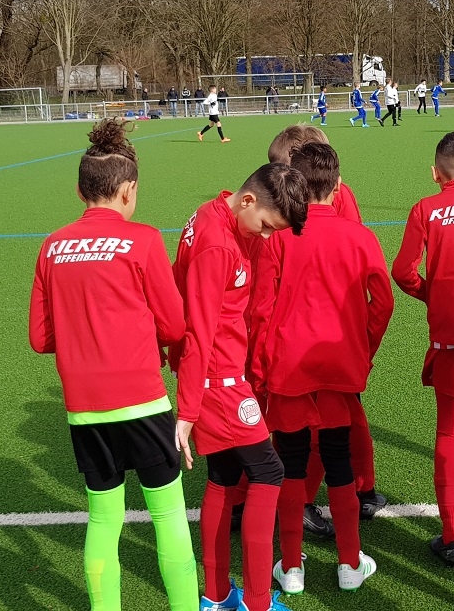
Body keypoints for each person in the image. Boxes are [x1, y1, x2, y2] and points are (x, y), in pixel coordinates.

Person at [28, 118, 199, 611]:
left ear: (79, 191)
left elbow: (40, 338)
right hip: (143, 400)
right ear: (128, 191)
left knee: (104, 519)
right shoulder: (143, 239)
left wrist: (83, 335)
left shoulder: (52, 245)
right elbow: (174, 325)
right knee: (168, 515)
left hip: (85, 408)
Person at [251, 142, 393, 596]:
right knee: (339, 462)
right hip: (339, 366)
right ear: (338, 184)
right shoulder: (360, 236)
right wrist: (362, 350)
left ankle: (292, 566)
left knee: (291, 464)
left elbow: (260, 311)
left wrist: (259, 369)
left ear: (292, 182)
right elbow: (383, 303)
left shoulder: (278, 238)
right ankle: (349, 562)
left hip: (288, 368)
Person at [171, 163, 309, 611]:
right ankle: (257, 602)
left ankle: (215, 596)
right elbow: (199, 330)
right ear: (248, 200)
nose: (266, 237)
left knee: (224, 476)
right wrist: (188, 410)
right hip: (219, 380)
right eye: (266, 226)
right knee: (268, 472)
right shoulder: (217, 245)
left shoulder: (215, 213)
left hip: (223, 373)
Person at [264, 125, 382, 531]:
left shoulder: (323, 207)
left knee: (316, 431)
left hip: (302, 345)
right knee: (327, 430)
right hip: (333, 344)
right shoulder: (335, 206)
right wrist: (362, 344)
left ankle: (338, 495)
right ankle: (335, 511)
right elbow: (372, 286)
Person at [392, 131, 454, 567]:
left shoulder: (426, 208)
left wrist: (433, 294)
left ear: (436, 173)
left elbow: (402, 270)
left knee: (450, 432)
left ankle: (452, 536)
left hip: (450, 332)